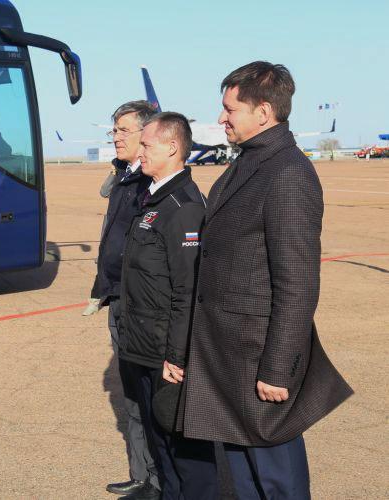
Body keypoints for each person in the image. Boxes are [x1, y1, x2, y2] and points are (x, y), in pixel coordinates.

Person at [178, 61, 353, 499]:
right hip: (227, 352)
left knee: (277, 481)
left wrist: (277, 368)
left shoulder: (288, 173)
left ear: (263, 112)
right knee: (243, 479)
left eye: (229, 109)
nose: (221, 118)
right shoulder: (247, 163)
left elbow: (297, 284)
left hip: (258, 357)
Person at [119, 112, 216, 500]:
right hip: (144, 348)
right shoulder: (153, 198)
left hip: (167, 356)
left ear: (173, 147)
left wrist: (177, 356)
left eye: (146, 144)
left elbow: (188, 291)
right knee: (161, 449)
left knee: (187, 455)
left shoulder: (184, 206)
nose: (139, 151)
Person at [86, 101, 160, 498]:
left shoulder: (151, 184)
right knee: (131, 395)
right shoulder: (124, 178)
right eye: (113, 130)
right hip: (117, 299)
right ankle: (141, 474)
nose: (115, 137)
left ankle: (159, 480)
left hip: (141, 305)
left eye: (123, 131)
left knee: (150, 397)